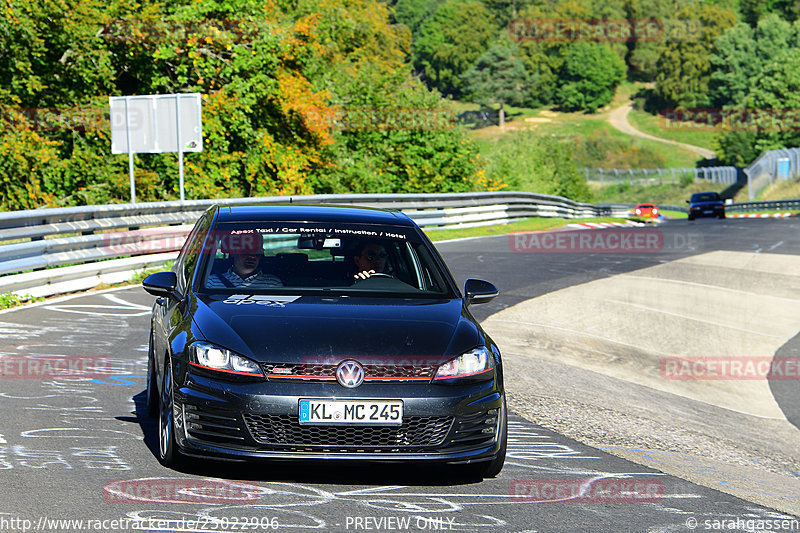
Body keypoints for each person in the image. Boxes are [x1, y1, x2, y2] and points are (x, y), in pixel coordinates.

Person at [207, 232, 283, 289]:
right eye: (246, 251)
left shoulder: (272, 283)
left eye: (257, 252)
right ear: (233, 252)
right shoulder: (212, 282)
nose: (252, 256)